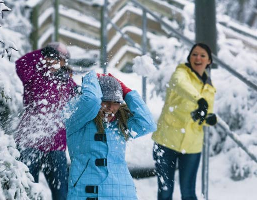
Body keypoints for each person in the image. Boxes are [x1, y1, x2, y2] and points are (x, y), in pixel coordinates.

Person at [64, 70, 156, 199]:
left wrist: (126, 91)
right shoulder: (78, 120)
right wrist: (91, 77)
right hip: (87, 195)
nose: (110, 107)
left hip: (122, 194)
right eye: (105, 101)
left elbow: (148, 124)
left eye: (116, 102)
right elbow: (91, 100)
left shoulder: (122, 124)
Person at [151, 43, 217, 200]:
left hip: (192, 145)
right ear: (189, 57)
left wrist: (209, 119)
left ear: (209, 61)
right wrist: (199, 100)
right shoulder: (180, 73)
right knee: (165, 192)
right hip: (166, 140)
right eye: (194, 54)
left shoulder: (209, 87)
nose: (198, 58)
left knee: (188, 192)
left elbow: (203, 114)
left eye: (202, 55)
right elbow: (180, 85)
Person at [15, 42, 78, 200]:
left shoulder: (67, 82)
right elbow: (20, 63)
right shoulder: (33, 75)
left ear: (65, 62)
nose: (54, 61)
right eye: (50, 57)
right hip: (30, 143)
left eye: (60, 59)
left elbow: (80, 101)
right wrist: (41, 53)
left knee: (61, 193)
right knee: (27, 191)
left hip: (56, 146)